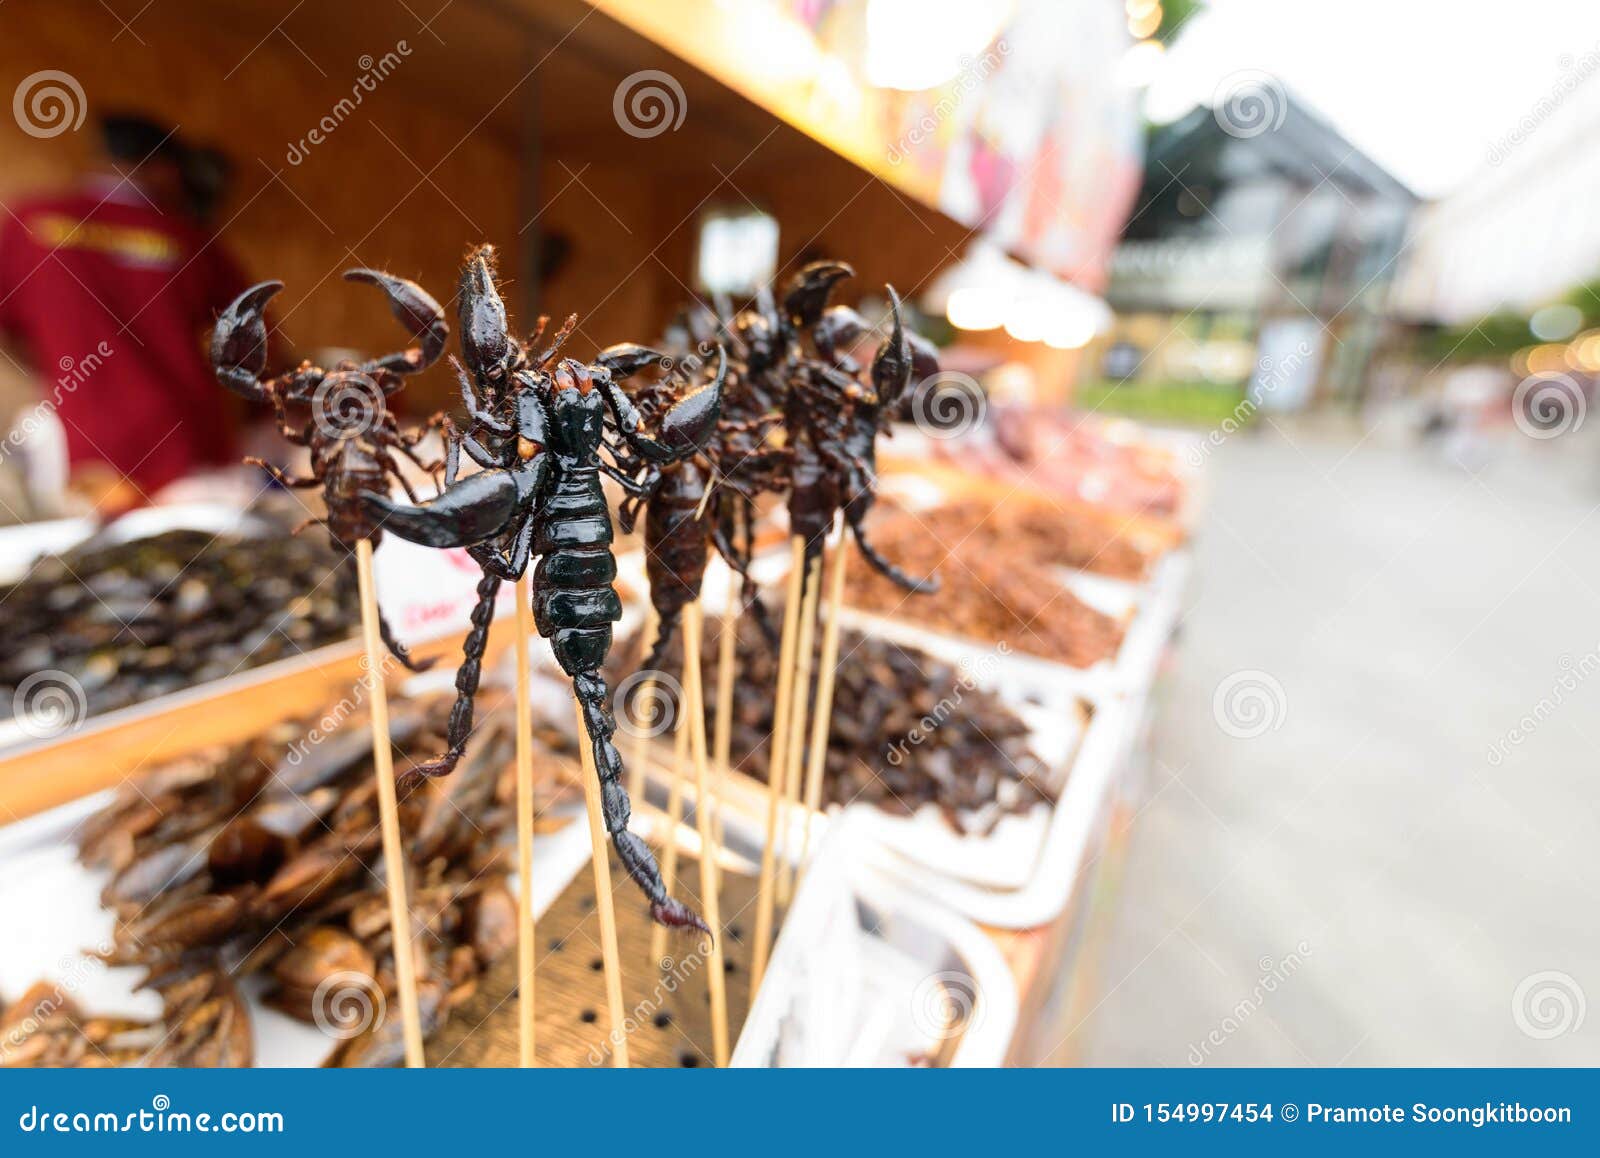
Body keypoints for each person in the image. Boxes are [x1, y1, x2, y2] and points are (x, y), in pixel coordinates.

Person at [0, 113, 250, 510]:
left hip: (78, 450)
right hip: (187, 447)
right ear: (166, 170)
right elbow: (252, 347)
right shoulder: (187, 237)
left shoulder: (30, 220)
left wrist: (53, 368)